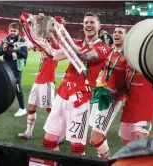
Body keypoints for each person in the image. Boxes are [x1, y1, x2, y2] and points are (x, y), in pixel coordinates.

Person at [42, 13, 110, 155]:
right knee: (48, 141)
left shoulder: (103, 48)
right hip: (62, 94)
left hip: (80, 98)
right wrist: (39, 39)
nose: (88, 25)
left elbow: (84, 55)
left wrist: (64, 35)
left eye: (92, 22)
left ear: (99, 26)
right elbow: (54, 55)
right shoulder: (77, 44)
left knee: (77, 148)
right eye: (86, 23)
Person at [89, 26, 127, 158]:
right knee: (98, 134)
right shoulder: (109, 52)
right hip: (100, 94)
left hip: (112, 99)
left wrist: (116, 90)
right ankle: (102, 156)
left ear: (125, 37)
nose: (117, 34)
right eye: (115, 32)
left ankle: (106, 160)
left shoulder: (127, 57)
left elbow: (130, 81)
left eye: (120, 33)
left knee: (95, 138)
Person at [119, 64, 153, 145]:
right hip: (127, 115)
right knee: (127, 148)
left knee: (137, 149)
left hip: (143, 117)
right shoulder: (129, 67)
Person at [0, 22, 28, 117]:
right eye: (11, 30)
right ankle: (2, 105)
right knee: (4, 86)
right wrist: (3, 50)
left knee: (17, 88)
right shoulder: (5, 40)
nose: (12, 32)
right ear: (8, 30)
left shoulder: (22, 41)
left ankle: (22, 108)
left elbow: (25, 55)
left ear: (18, 31)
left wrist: (16, 49)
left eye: (14, 31)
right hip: (6, 66)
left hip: (17, 68)